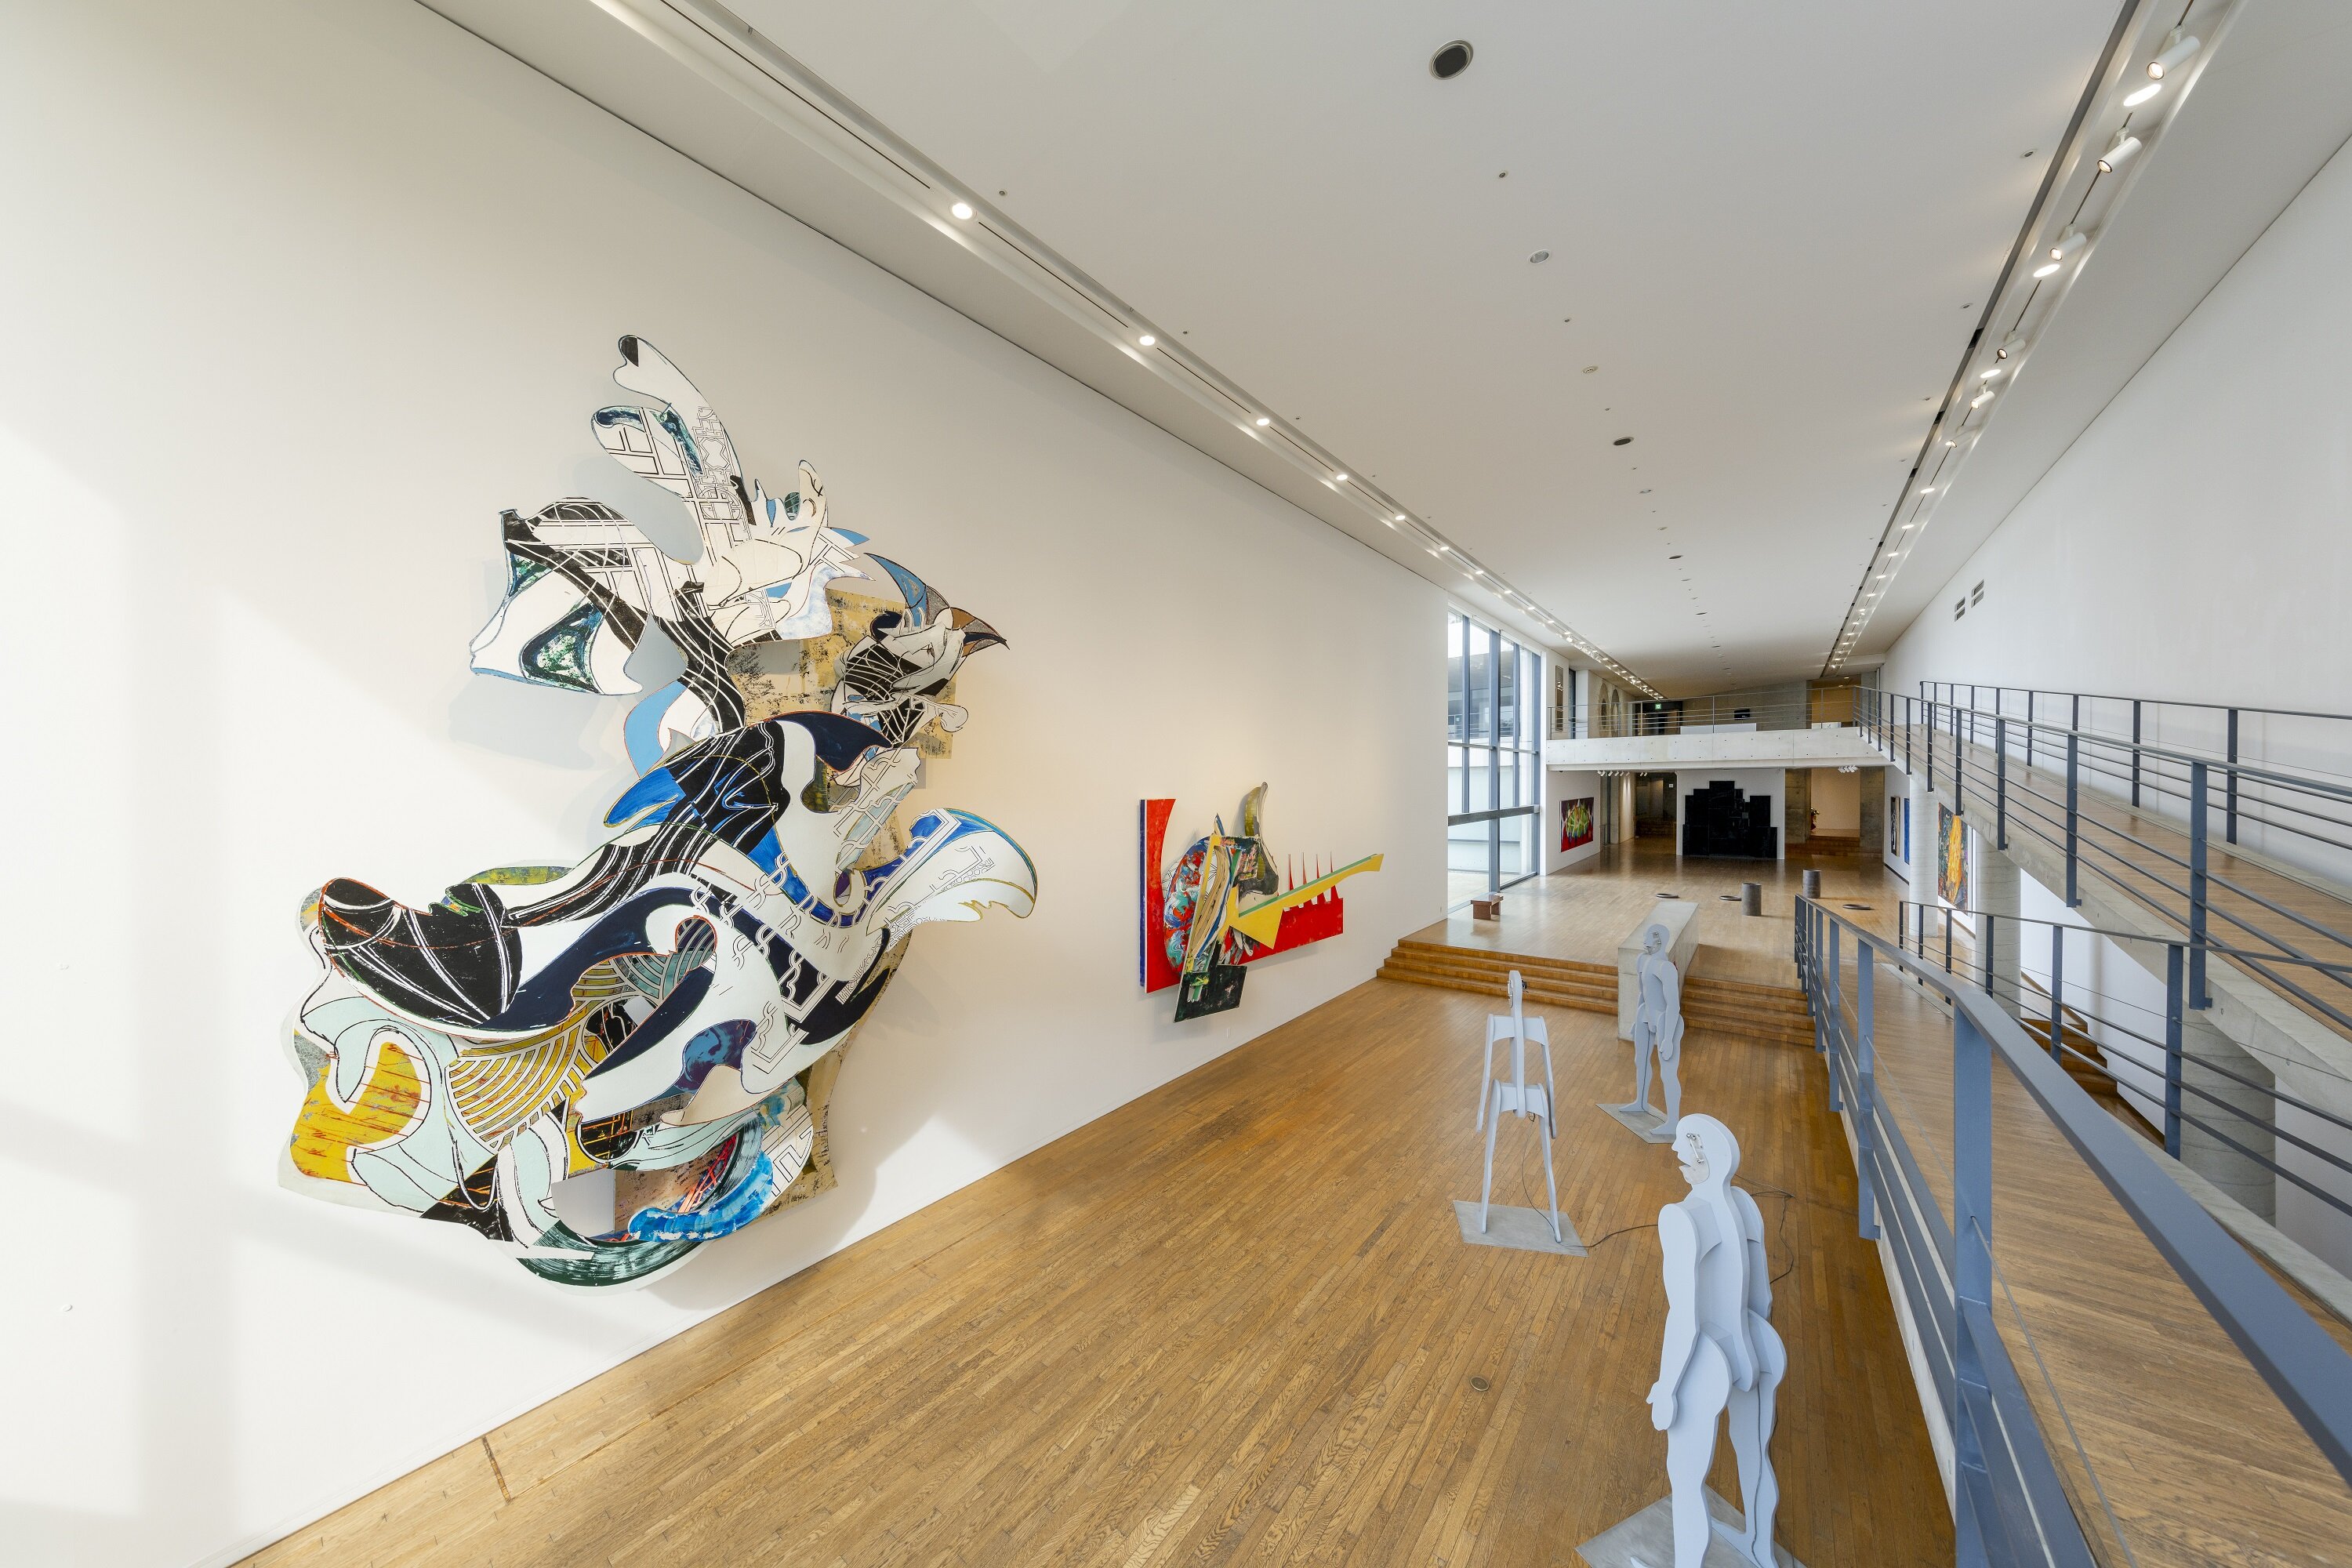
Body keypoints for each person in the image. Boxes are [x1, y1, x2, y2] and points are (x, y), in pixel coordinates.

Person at [1646, 1115, 1784, 1568]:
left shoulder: (1681, 1217)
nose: (1678, 1162)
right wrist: (1748, 1342)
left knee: (1686, 1477)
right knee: (1756, 1456)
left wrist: (1667, 1387)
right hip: (1753, 1346)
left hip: (1706, 1357)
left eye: (1684, 1156)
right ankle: (1759, 1548)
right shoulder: (1743, 1203)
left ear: (1702, 1159)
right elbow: (1762, 1296)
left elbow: (1684, 1317)